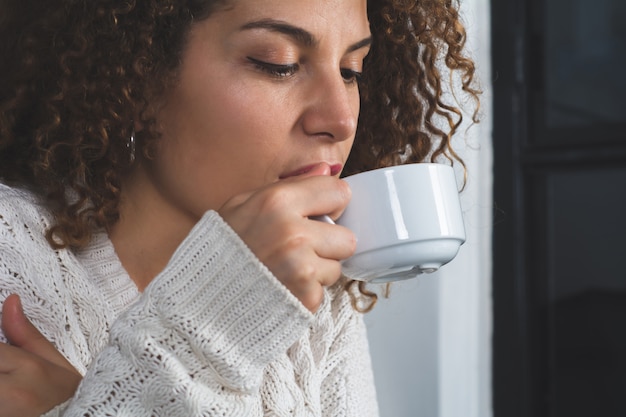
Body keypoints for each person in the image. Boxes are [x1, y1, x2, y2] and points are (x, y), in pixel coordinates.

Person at [0, 0, 480, 415]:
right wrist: (218, 316)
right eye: (279, 63)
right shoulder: (13, 260)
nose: (339, 118)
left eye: (351, 71)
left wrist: (84, 404)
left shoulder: (311, 300)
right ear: (141, 77)